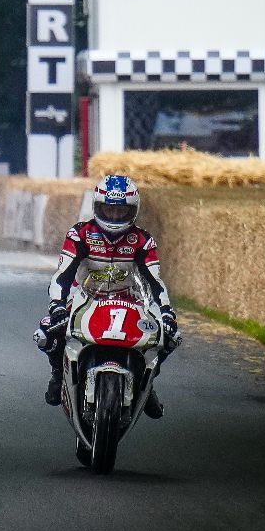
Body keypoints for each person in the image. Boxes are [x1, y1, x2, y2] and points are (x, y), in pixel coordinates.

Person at [36, 174, 179, 415]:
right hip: (86, 296)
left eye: (121, 211)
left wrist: (166, 311)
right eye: (108, 210)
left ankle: (147, 382)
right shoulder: (79, 234)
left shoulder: (143, 241)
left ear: (133, 211)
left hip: (130, 298)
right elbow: (62, 275)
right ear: (96, 207)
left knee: (171, 337)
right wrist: (57, 305)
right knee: (45, 332)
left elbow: (155, 282)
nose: (113, 217)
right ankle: (58, 375)